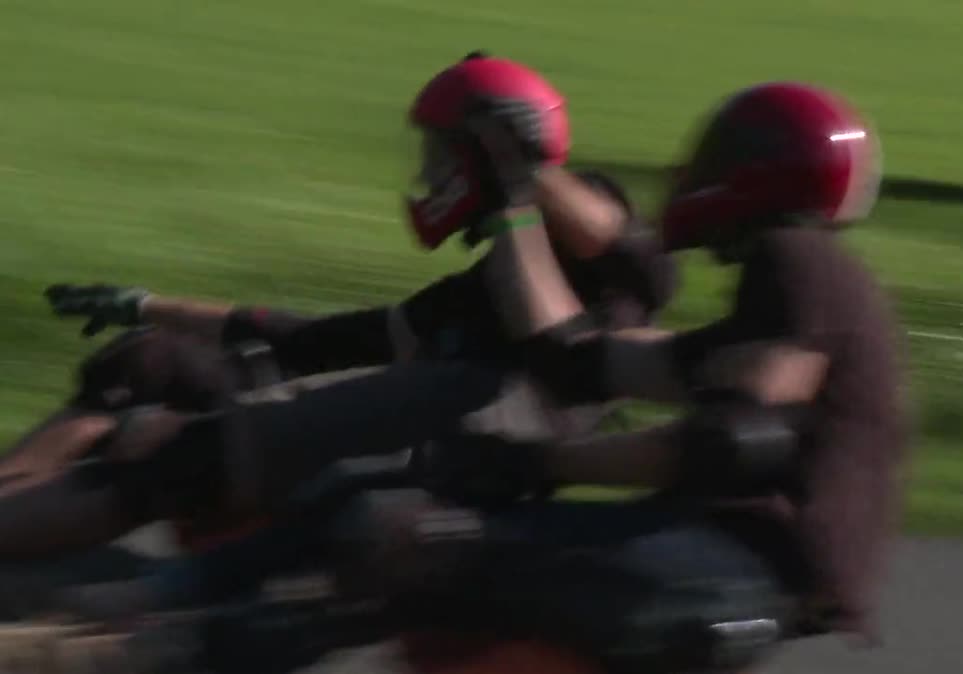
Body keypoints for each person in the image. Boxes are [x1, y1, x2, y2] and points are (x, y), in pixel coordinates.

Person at [47, 81, 907, 674]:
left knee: (400, 534)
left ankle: (149, 653)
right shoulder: (774, 313)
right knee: (369, 505)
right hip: (725, 572)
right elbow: (572, 353)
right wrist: (512, 201)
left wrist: (539, 467)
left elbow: (727, 440)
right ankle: (161, 612)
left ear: (759, 166)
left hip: (731, 570)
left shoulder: (797, 262)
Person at [0, 53, 673, 607]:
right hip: (379, 430)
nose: (429, 173)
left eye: (444, 154)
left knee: (164, 456)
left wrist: (520, 184)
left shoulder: (617, 279)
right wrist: (148, 305)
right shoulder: (483, 285)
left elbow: (579, 303)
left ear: (491, 154)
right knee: (149, 365)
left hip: (427, 474)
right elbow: (320, 340)